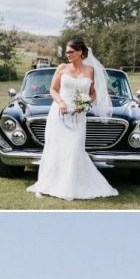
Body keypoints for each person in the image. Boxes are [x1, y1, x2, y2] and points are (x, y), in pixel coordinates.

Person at [27, 38, 118, 201]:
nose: (67, 54)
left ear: (81, 52)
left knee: (74, 149)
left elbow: (93, 93)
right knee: (54, 148)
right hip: (59, 114)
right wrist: (61, 102)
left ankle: (71, 185)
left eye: (71, 52)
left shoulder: (90, 70)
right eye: (66, 52)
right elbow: (53, 90)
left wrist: (84, 104)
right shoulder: (62, 68)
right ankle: (45, 184)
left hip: (78, 115)